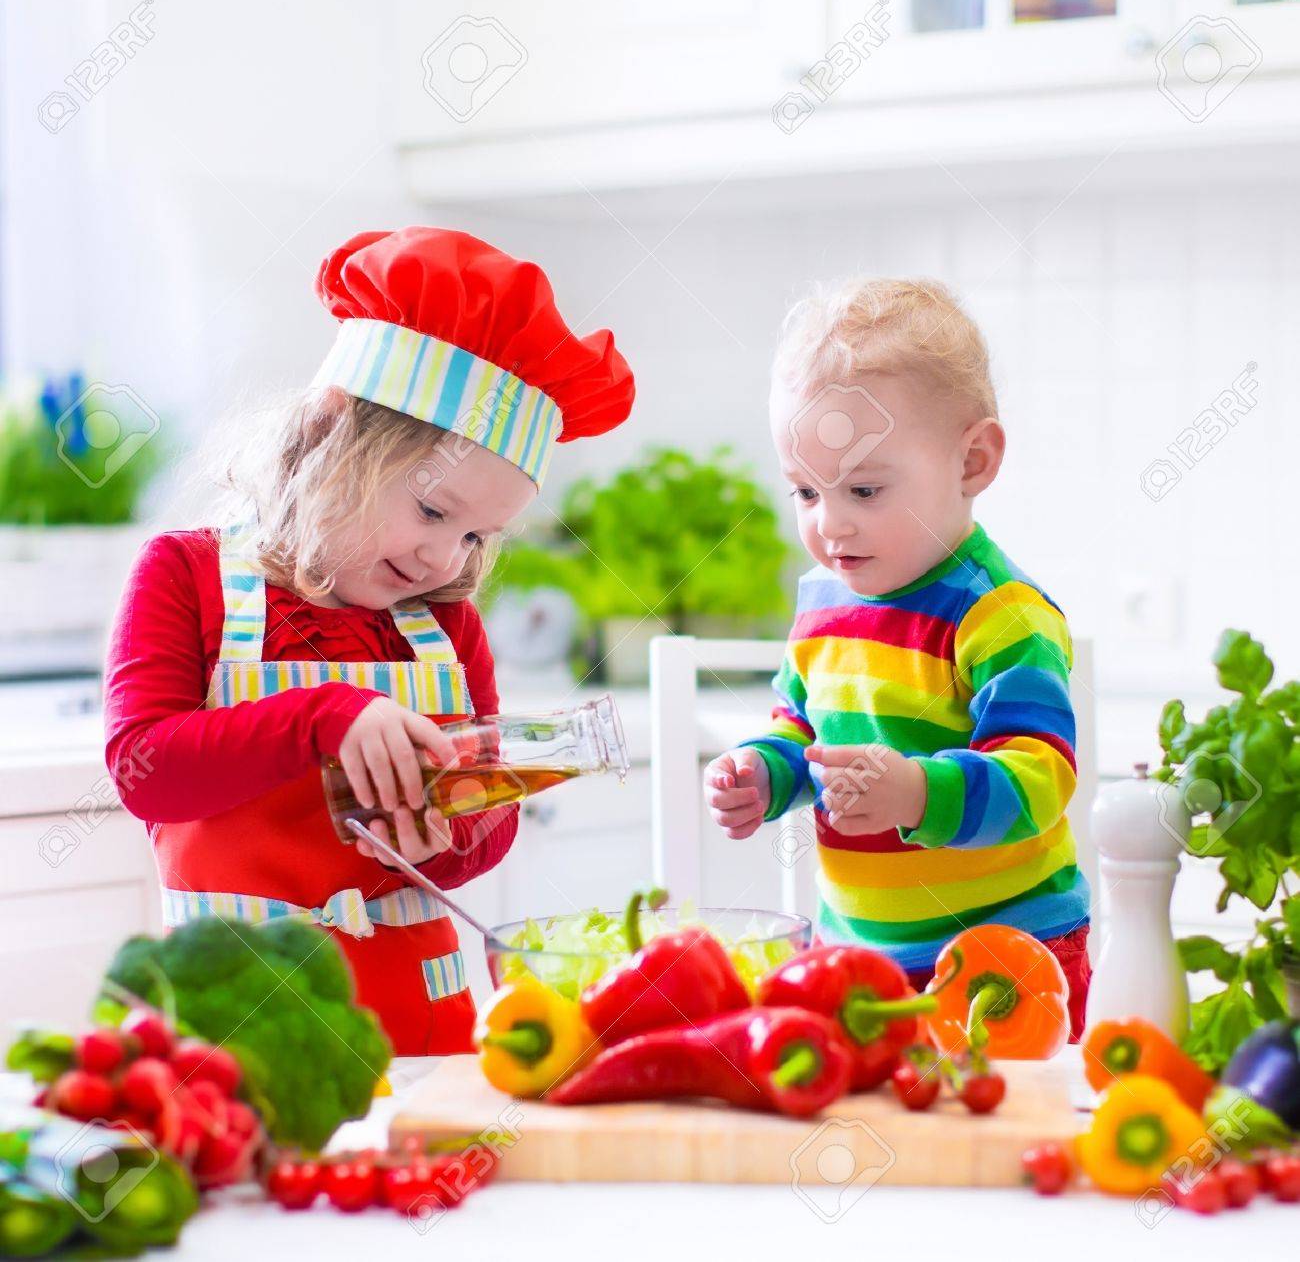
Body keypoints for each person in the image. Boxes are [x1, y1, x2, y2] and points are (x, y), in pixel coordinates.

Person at [103, 226, 634, 1054]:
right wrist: (322, 717)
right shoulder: (187, 574)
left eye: (476, 538)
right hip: (230, 1036)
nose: (442, 557)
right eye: (432, 511)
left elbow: (491, 821)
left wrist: (450, 833)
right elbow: (147, 772)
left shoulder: (444, 624)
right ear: (332, 435)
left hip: (421, 1032)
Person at [704, 277, 1091, 1040]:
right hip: (856, 961)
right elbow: (799, 731)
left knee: (981, 1144)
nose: (831, 525)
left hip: (1002, 961)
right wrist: (765, 771)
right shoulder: (822, 600)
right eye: (805, 492)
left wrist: (918, 793)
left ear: (972, 462)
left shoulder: (999, 613)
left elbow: (1041, 777)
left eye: (866, 489)